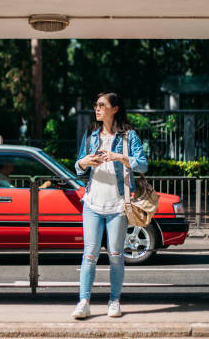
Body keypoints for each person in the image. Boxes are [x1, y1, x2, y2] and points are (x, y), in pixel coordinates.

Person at [71, 92, 148, 319]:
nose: (98, 109)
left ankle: (114, 301)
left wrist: (120, 157)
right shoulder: (91, 135)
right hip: (93, 202)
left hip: (118, 205)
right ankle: (83, 302)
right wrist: (85, 162)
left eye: (102, 105)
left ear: (114, 109)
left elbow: (142, 165)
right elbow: (78, 166)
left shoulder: (128, 137)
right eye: (96, 105)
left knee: (115, 255)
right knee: (89, 254)